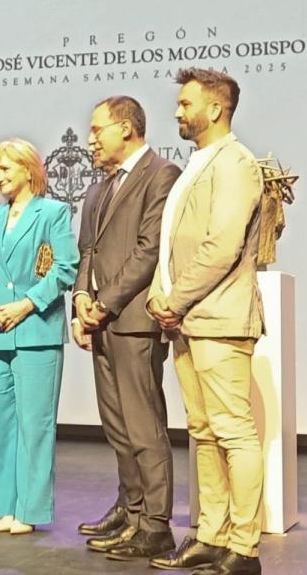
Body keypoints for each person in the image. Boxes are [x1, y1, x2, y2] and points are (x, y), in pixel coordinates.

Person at [147, 68, 265, 575]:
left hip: (219, 319)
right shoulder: (198, 163)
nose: (177, 111)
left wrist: (175, 298)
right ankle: (211, 536)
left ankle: (244, 548)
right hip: (189, 320)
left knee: (233, 431)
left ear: (215, 109)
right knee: (203, 430)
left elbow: (222, 246)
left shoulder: (236, 163)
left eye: (185, 103)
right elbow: (173, 243)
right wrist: (162, 295)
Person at [73, 97, 182, 560]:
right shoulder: (100, 188)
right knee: (117, 426)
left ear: (125, 128)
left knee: (144, 426)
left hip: (134, 321)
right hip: (101, 321)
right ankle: (132, 511)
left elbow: (148, 249)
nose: (90, 140)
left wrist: (105, 303)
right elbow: (88, 251)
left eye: (97, 129)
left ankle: (155, 525)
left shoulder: (162, 175)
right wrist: (81, 300)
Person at [0, 138, 78, 534]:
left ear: (29, 171)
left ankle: (30, 510)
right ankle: (6, 507)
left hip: (35, 331)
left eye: (6, 169)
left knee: (34, 424)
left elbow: (65, 267)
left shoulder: (52, 213)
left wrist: (25, 305)